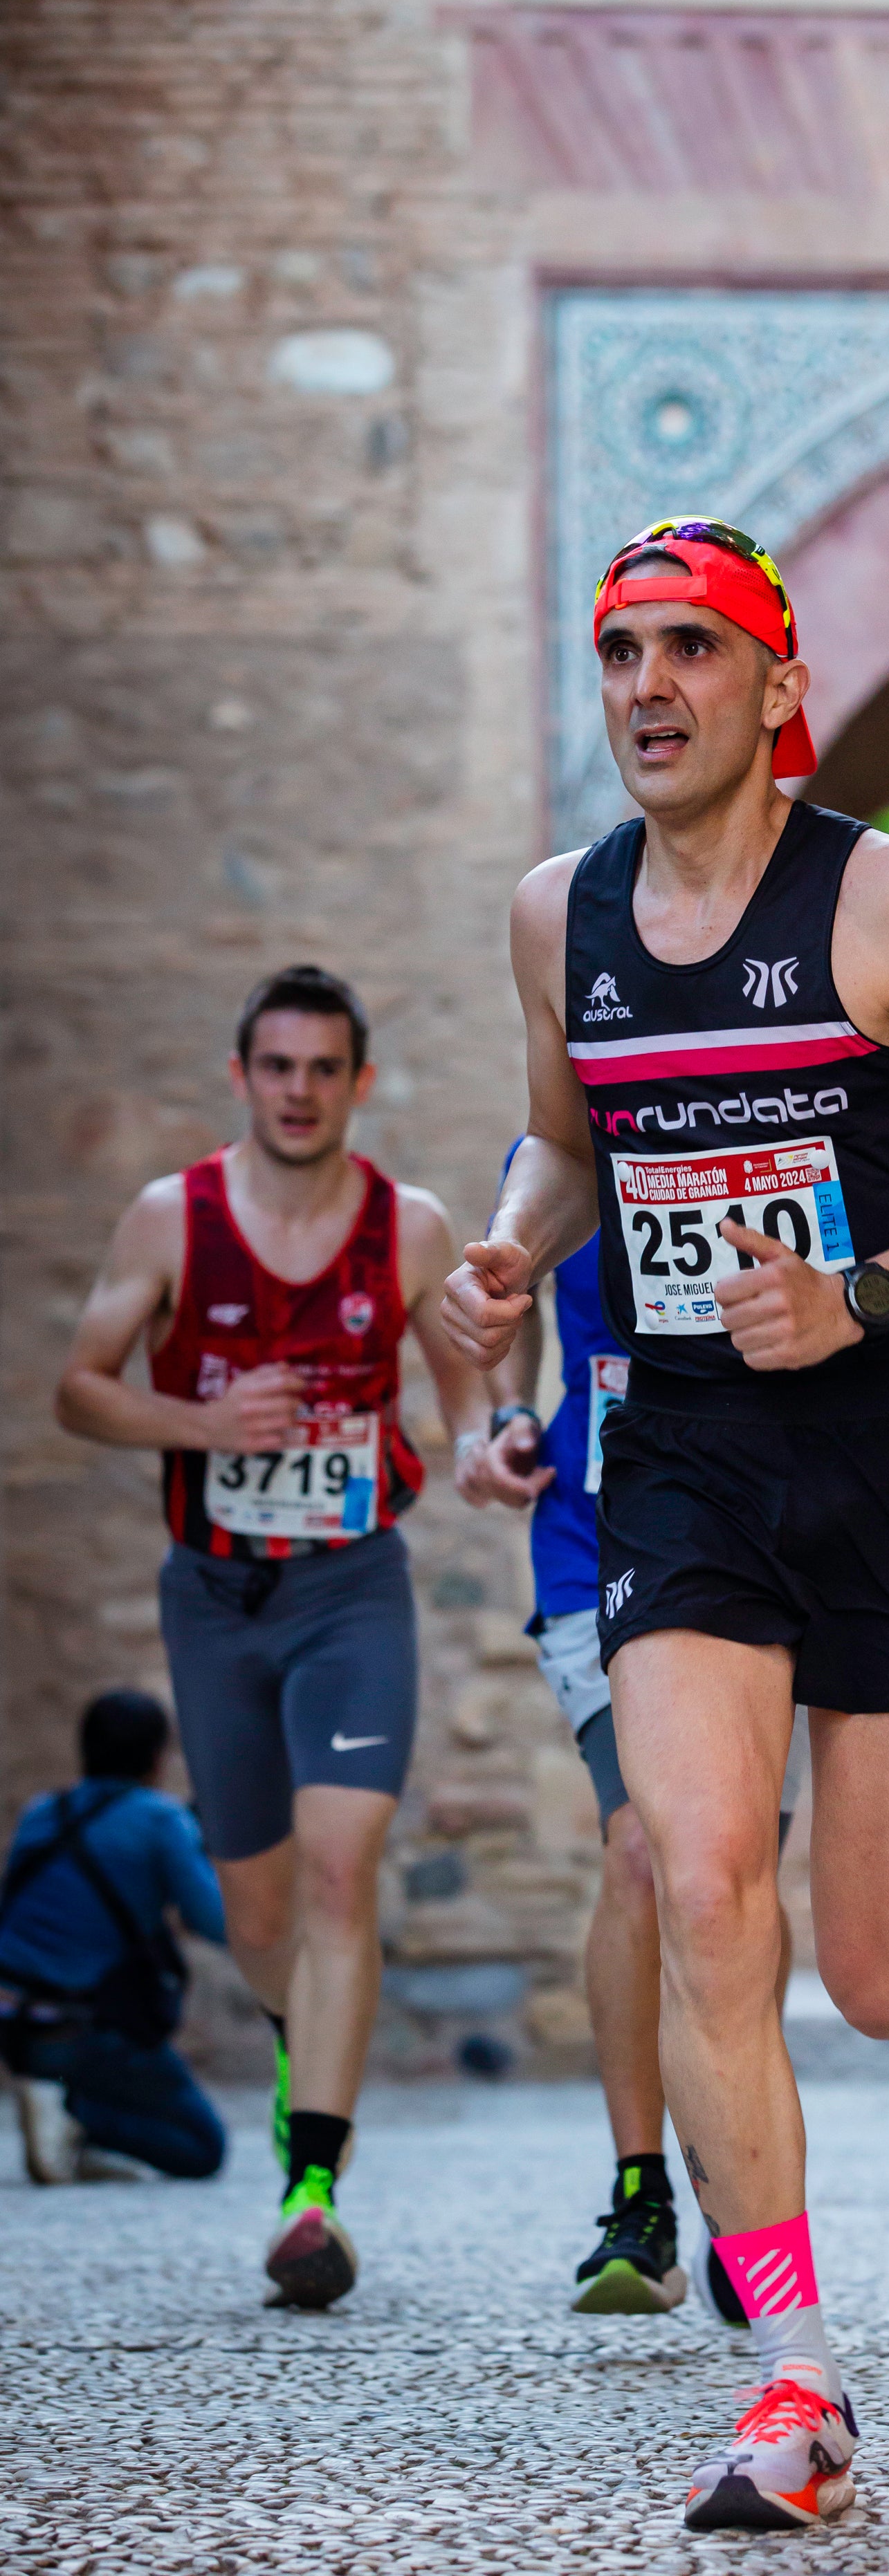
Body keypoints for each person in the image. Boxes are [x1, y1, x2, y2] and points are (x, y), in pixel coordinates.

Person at [441, 516, 889, 2530]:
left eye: (689, 652)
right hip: (688, 1453)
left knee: (870, 1956)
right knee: (705, 1878)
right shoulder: (559, 914)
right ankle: (793, 2378)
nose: (646, 686)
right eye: (620, 651)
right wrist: (500, 1254)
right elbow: (570, 1145)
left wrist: (869, 1293)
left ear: (772, 685)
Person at [54, 964, 493, 2308]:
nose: (299, 1091)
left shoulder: (406, 1229)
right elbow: (79, 1388)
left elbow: (467, 1388)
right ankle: (307, 2044)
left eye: (324, 1069)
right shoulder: (169, 1221)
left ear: (358, 1084)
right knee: (256, 1910)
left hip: (350, 1584)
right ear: (242, 1076)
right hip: (215, 1592)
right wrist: (204, 1423)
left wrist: (486, 1446)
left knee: (344, 1867)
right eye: (277, 1066)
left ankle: (313, 2189)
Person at [468, 1182, 806, 2325]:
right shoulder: (557, 1142)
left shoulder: (771, 1075)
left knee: (734, 1879)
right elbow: (494, 1302)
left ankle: (743, 2190)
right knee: (643, 1852)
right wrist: (502, 1419)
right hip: (597, 1532)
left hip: (772, 1534)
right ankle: (641, 2191)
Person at [0, 1689, 228, 2184]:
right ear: (156, 1756)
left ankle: (60, 2111)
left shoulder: (43, 1811)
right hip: (92, 2030)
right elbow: (215, 1923)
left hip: (16, 2026)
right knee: (202, 2147)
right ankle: (72, 2115)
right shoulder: (161, 1820)